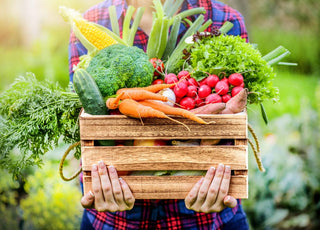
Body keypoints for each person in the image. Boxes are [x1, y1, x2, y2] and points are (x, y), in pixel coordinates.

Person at [69, 0, 249, 229]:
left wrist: (222, 179)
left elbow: (235, 127)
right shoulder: (90, 22)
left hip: (209, 221)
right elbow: (84, 125)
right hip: (115, 222)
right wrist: (97, 181)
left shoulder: (225, 19)